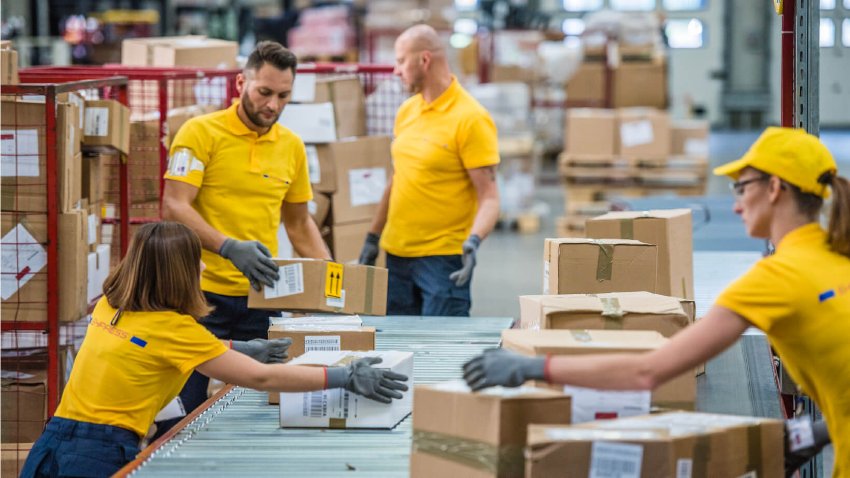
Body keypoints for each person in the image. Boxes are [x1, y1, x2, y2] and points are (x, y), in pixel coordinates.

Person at [462, 127, 850, 476]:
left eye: (741, 188)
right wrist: (823, 428)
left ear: (775, 187)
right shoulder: (839, 258)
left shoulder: (774, 279)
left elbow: (646, 373)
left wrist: (533, 366)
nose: (735, 205)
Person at [20, 222, 408, 478]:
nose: (204, 272)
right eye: (197, 263)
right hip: (95, 456)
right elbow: (262, 378)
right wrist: (344, 376)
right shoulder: (175, 327)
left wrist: (240, 347)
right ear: (179, 273)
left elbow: (147, 349)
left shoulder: (112, 305)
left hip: (51, 443)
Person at [160, 41, 330, 431]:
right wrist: (227, 246)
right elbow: (175, 205)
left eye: (283, 96)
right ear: (241, 83)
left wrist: (332, 285)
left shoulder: (291, 146)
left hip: (262, 296)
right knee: (181, 410)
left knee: (263, 408)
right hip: (199, 297)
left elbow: (300, 224)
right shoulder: (200, 133)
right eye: (264, 92)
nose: (273, 104)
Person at [357, 24, 500, 317]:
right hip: (396, 256)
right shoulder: (407, 111)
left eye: (400, 61)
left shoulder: (471, 118)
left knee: (440, 351)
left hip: (442, 261)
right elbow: (399, 178)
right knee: (396, 349)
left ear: (424, 60)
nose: (395, 71)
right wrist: (373, 237)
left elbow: (489, 196)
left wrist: (474, 241)